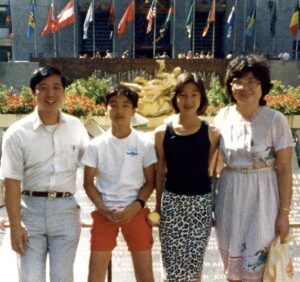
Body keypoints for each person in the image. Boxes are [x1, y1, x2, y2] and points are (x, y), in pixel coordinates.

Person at [0, 66, 89, 282]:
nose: (50, 94)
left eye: (56, 88)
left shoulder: (76, 127)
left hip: (65, 210)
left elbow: (92, 167)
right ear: (33, 92)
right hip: (30, 210)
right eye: (43, 88)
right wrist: (15, 225)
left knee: (63, 277)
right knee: (30, 277)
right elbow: (11, 182)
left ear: (64, 92)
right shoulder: (17, 133)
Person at [214, 54, 293, 282]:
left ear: (263, 86)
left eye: (252, 82)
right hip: (230, 196)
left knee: (260, 268)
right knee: (233, 271)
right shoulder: (223, 117)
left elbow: (285, 170)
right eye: (239, 80)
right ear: (230, 85)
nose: (245, 87)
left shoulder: (275, 120)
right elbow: (212, 161)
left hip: (264, 197)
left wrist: (284, 214)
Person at [81, 86, 157, 282]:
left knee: (145, 275)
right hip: (105, 213)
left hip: (136, 212)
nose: (119, 111)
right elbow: (88, 183)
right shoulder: (96, 145)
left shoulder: (144, 143)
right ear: (105, 109)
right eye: (113, 105)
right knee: (95, 275)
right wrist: (103, 208)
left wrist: (137, 205)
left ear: (134, 110)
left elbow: (150, 182)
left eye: (125, 105)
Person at [154, 72, 220, 281]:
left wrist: (213, 207)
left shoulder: (213, 133)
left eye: (194, 94)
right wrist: (158, 207)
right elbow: (159, 174)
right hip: (172, 204)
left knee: (194, 267)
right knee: (172, 268)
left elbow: (211, 173)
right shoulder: (162, 132)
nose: (188, 100)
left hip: (200, 205)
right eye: (183, 94)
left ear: (202, 98)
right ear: (175, 97)